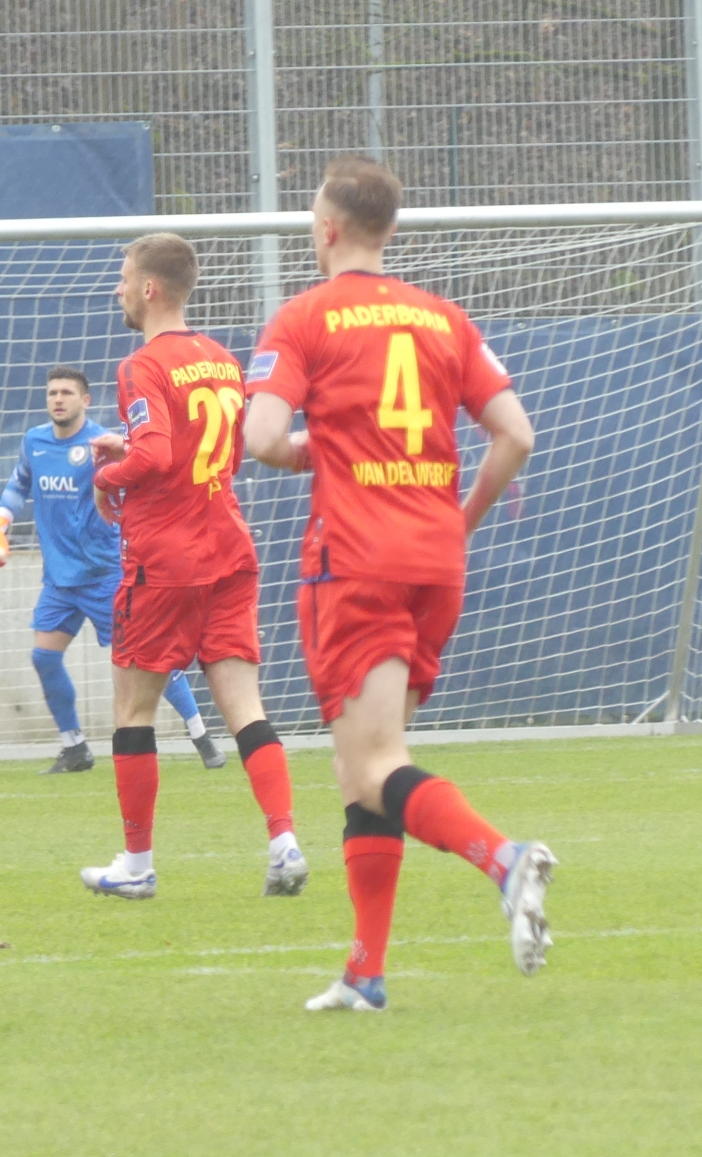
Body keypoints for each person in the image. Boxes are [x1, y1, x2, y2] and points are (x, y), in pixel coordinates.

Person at [243, 154, 556, 1012]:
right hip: (435, 563)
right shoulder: (443, 317)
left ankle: (504, 859)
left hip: (357, 561)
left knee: (375, 762)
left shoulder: (305, 317)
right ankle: (365, 973)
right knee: (364, 769)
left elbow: (261, 437)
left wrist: (310, 450)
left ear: (328, 229)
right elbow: (517, 435)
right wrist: (462, 520)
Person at [78, 234, 305, 901]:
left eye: (124, 278)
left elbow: (154, 457)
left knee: (133, 709)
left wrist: (105, 476)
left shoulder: (140, 366)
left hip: (165, 559)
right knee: (244, 705)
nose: (118, 289)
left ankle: (137, 863)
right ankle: (284, 842)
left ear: (150, 289)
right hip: (227, 548)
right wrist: (132, 446)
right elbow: (212, 452)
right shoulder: (222, 359)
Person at [0, 365, 225, 774]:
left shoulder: (102, 445)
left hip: (105, 575)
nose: (58, 399)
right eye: (52, 393)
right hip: (60, 581)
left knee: (149, 659)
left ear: (85, 400)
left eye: (66, 393)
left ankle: (200, 734)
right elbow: (19, 484)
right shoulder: (34, 442)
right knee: (44, 657)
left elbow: (143, 473)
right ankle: (75, 747)